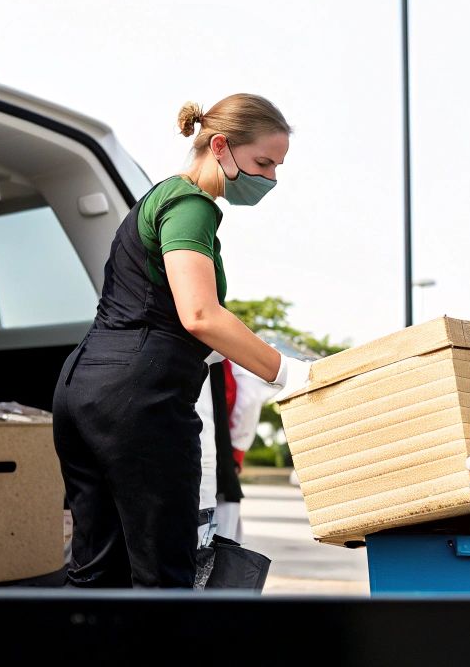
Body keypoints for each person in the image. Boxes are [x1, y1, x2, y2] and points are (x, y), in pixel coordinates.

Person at [53, 94, 308, 588]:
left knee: (95, 570)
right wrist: (286, 371)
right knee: (164, 578)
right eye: (263, 163)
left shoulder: (156, 198)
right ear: (220, 146)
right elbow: (200, 314)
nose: (271, 178)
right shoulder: (192, 205)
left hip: (83, 389)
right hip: (139, 400)